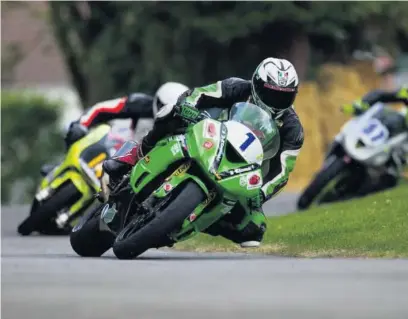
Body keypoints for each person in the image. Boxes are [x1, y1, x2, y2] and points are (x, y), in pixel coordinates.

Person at [103, 57, 305, 248]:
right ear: (256, 84)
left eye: (284, 96)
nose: (276, 101)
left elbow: (281, 173)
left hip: (241, 169)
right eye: (271, 93)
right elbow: (199, 94)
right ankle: (133, 156)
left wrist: (260, 193)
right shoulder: (236, 86)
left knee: (253, 230)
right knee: (171, 112)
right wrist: (188, 106)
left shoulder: (292, 128)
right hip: (209, 134)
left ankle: (188, 221)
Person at [40, 82, 190, 176]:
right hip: (112, 143)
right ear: (157, 101)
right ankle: (61, 167)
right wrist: (82, 124)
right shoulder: (140, 103)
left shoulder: (180, 130)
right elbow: (102, 109)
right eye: (163, 107)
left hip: (136, 164)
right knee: (82, 132)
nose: (167, 113)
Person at [340, 85, 408, 194]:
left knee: (390, 178)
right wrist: (363, 103)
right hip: (390, 130)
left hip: (400, 149)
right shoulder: (398, 115)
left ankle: (355, 194)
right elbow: (381, 94)